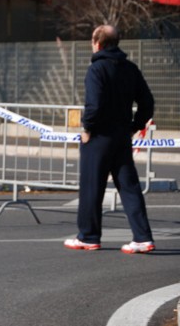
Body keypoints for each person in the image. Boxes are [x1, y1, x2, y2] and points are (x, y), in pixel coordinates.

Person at [64, 25, 155, 254]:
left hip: (99, 137)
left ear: (97, 43)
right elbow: (147, 102)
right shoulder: (130, 68)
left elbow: (93, 104)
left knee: (92, 187)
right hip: (122, 135)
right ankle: (143, 237)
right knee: (129, 186)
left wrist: (87, 128)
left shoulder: (97, 69)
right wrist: (134, 126)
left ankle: (88, 236)